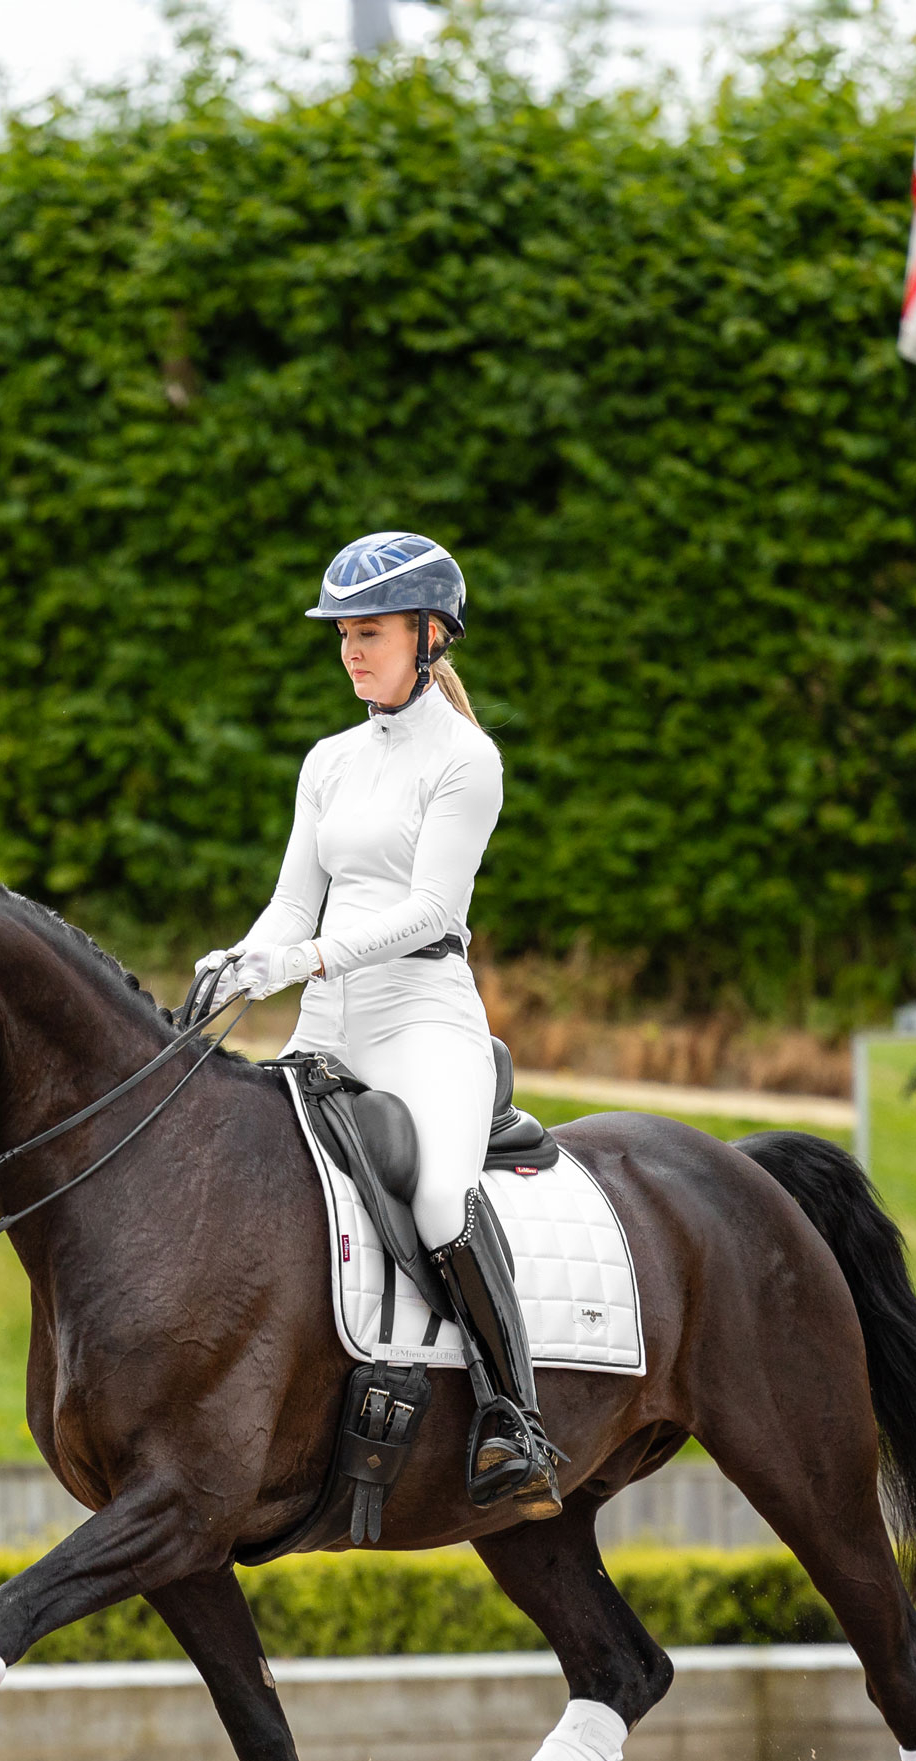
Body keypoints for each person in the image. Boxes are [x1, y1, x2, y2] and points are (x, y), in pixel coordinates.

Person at [196, 530, 563, 1519]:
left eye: (371, 633)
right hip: (327, 1023)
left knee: (440, 1198)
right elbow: (290, 903)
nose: (352, 651)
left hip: (422, 1021)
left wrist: (304, 956)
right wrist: (241, 961)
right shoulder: (328, 761)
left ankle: (512, 1419)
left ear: (430, 637)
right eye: (343, 635)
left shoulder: (466, 760)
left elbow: (431, 911)